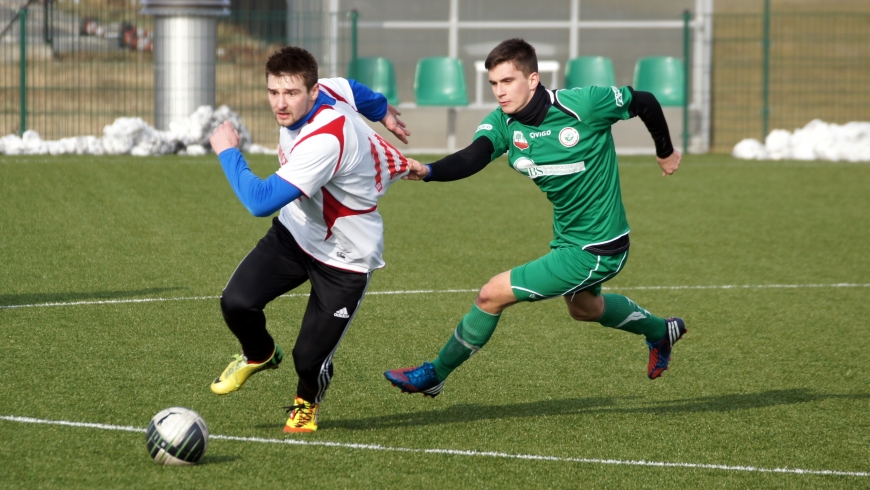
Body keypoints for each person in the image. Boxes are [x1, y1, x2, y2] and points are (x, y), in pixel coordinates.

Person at [384, 38, 685, 398]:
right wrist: (430, 170)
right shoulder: (503, 123)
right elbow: (474, 155)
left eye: (507, 81)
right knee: (586, 309)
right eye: (493, 83)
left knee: (491, 295)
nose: (499, 92)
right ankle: (660, 331)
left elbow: (644, 101)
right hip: (569, 238)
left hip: (597, 247)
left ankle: (435, 374)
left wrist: (665, 152)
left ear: (532, 80)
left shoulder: (582, 105)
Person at [208, 46, 410, 432]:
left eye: (291, 94)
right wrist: (382, 109)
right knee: (236, 303)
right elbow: (353, 89)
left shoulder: (325, 139)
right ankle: (260, 353)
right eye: (273, 93)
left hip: (344, 258)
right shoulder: (327, 89)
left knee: (308, 359)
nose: (281, 104)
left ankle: (306, 403)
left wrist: (228, 152)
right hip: (296, 233)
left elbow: (260, 201)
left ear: (312, 92)